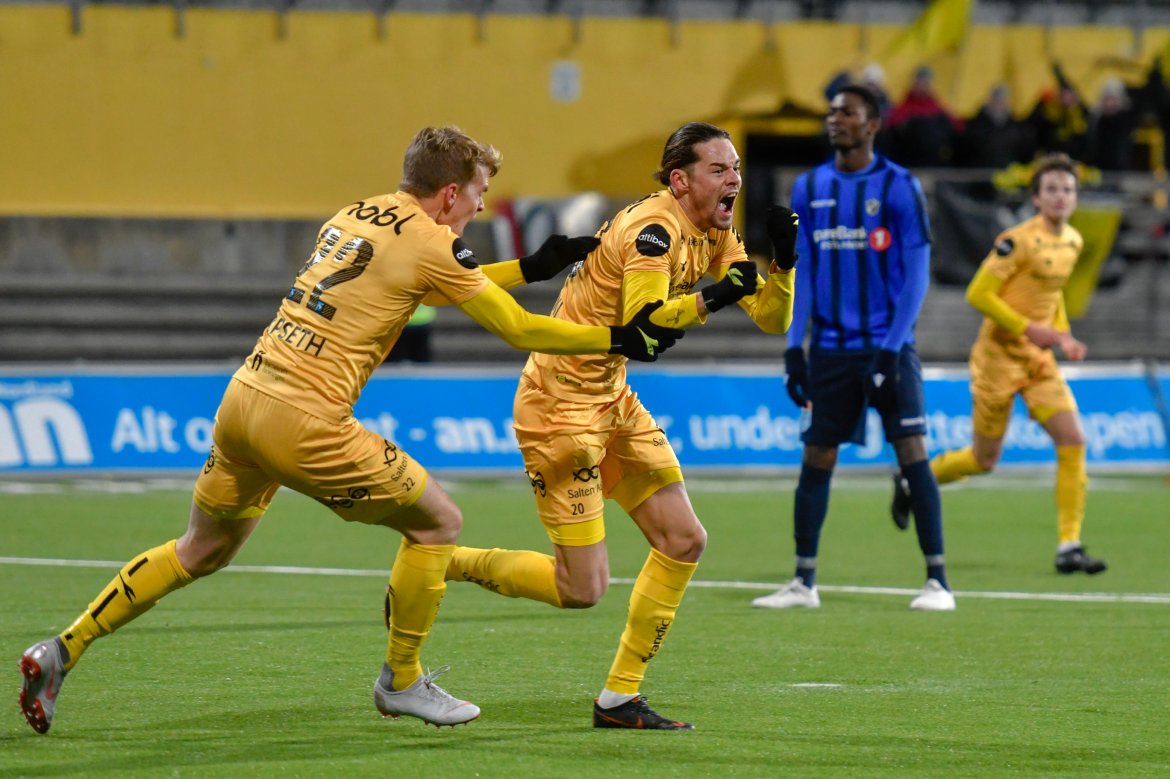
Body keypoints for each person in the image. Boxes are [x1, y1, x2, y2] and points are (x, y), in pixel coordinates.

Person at [17, 125, 688, 735]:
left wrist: (529, 269)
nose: (482, 207)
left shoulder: (354, 214)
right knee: (437, 521)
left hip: (245, 398)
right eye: (480, 193)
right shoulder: (433, 240)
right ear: (450, 192)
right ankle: (401, 680)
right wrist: (616, 335)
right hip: (305, 419)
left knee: (200, 548)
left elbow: (417, 281)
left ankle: (63, 648)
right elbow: (514, 327)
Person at [438, 121, 800, 730]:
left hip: (612, 398)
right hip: (559, 407)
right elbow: (647, 324)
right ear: (681, 180)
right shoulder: (652, 233)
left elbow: (772, 320)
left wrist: (784, 265)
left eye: (735, 167)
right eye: (719, 169)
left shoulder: (714, 228)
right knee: (582, 589)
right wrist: (715, 299)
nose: (734, 178)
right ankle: (441, 560)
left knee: (684, 540)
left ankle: (620, 698)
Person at [751, 85, 955, 613]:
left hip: (888, 348)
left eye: (848, 112)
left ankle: (938, 582)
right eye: (832, 111)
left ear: (872, 125)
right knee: (817, 454)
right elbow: (808, 271)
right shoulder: (809, 187)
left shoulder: (900, 186)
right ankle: (803, 582)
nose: (834, 118)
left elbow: (916, 275)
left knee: (913, 452)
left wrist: (890, 349)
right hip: (833, 352)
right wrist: (796, 348)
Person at [893, 153, 1107, 576]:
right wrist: (1029, 329)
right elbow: (978, 294)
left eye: (1067, 189)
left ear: (1076, 197)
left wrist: (1062, 336)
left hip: (1038, 361)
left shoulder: (1073, 242)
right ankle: (911, 480)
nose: (1061, 197)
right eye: (1052, 190)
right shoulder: (1017, 241)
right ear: (1036, 197)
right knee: (983, 460)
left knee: (1073, 440)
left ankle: (1069, 545)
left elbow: (1052, 297)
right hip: (998, 361)